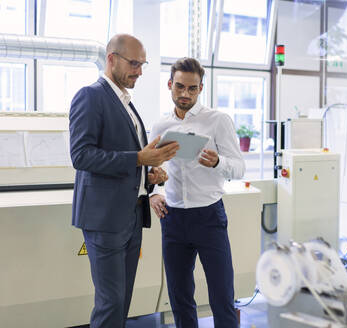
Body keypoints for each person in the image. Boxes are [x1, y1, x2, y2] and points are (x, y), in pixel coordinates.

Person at [69, 34, 179, 328]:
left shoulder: (127, 104)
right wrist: (139, 160)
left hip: (131, 215)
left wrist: (150, 176)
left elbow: (132, 158)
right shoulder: (90, 96)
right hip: (104, 219)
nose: (139, 71)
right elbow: (81, 156)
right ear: (111, 59)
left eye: (142, 65)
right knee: (111, 302)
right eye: (133, 63)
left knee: (122, 302)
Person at [149, 57, 245, 328]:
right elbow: (152, 167)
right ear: (170, 84)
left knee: (221, 296)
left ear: (201, 88)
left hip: (209, 217)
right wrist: (153, 193)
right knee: (179, 298)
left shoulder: (218, 121)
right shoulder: (160, 126)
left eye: (192, 89)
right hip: (173, 218)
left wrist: (218, 162)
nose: (185, 94)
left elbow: (239, 167)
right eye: (179, 87)